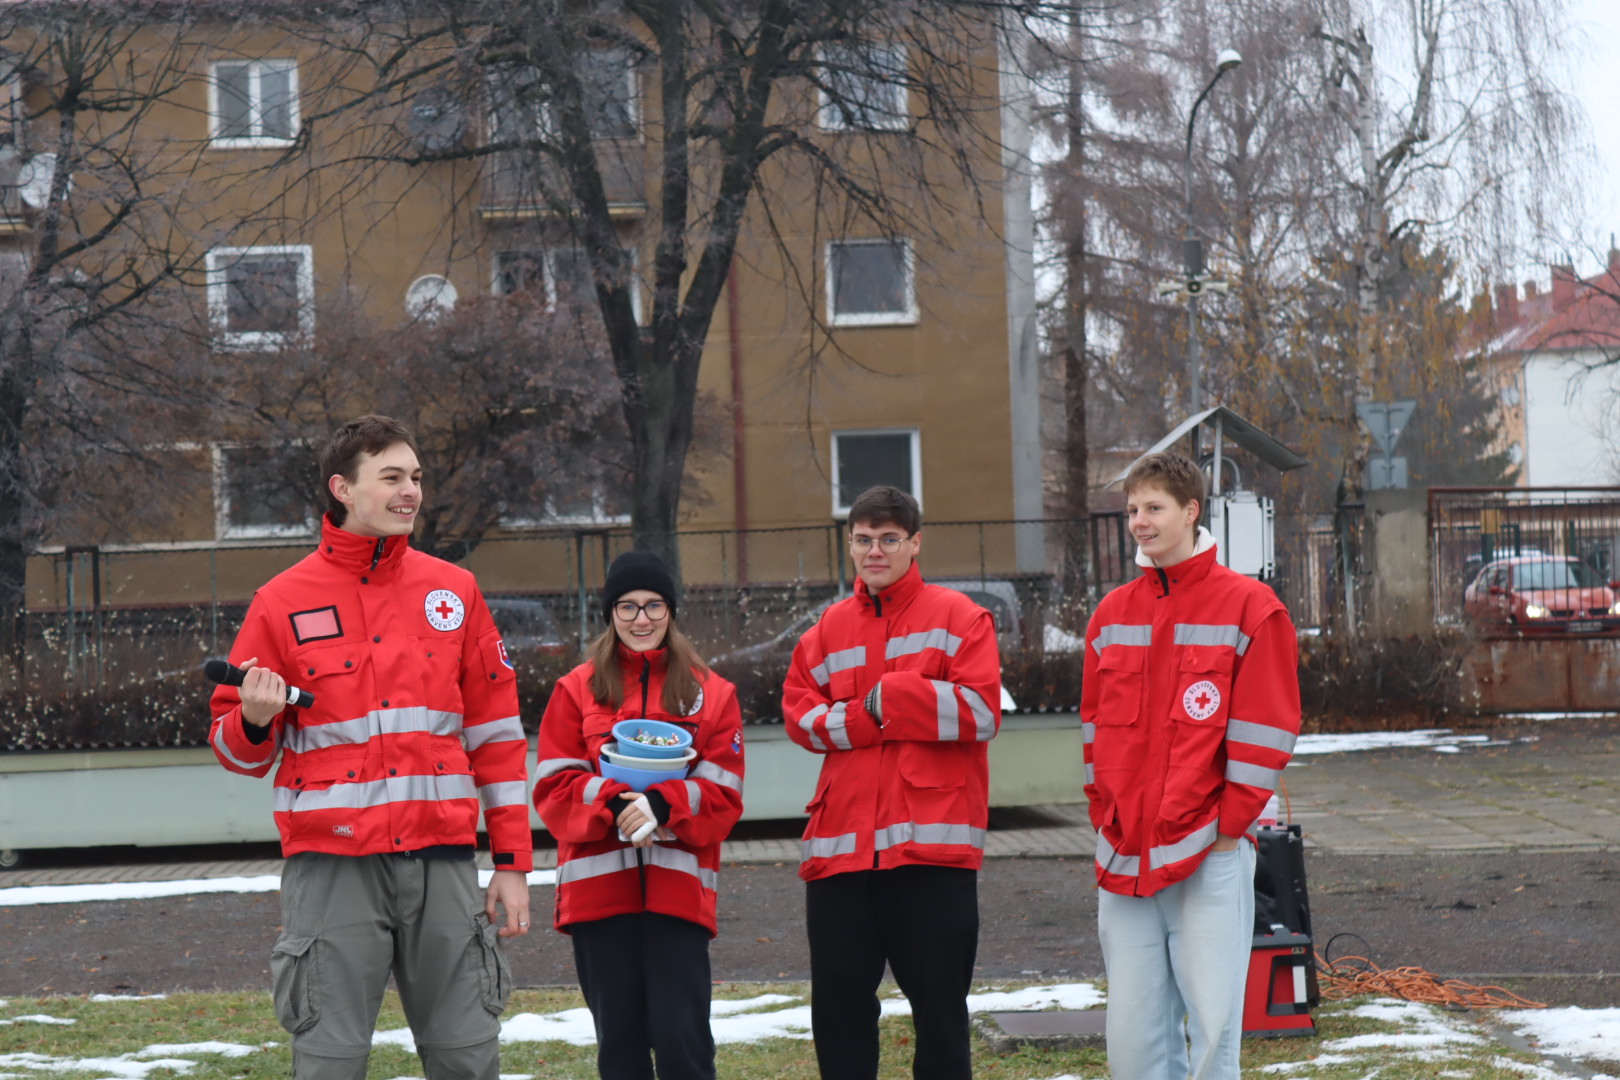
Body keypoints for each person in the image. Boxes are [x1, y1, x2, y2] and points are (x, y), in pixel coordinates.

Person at [207, 415, 533, 1080]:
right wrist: (256, 718)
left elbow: (497, 737)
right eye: (391, 477)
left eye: (415, 477)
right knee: (330, 1060)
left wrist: (512, 862)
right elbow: (236, 754)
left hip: (442, 865)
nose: (411, 491)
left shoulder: (455, 591)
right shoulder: (280, 602)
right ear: (343, 489)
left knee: (466, 1056)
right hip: (333, 869)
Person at [1081, 451, 1300, 1080]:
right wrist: (1105, 815)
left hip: (1209, 851)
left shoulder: (1251, 608)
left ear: (1191, 512)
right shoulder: (1112, 614)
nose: (1139, 522)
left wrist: (1229, 829)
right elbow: (1094, 731)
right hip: (1126, 853)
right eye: (1132, 510)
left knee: (1212, 1037)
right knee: (1132, 1040)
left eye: (1154, 508)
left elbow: (1266, 732)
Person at [781, 485, 1002, 1080]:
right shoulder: (828, 628)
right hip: (840, 856)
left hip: (930, 855)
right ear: (850, 544)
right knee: (839, 1017)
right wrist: (869, 716)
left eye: (888, 539)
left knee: (940, 1017)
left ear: (914, 543)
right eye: (863, 540)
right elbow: (800, 717)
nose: (874, 551)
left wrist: (895, 697)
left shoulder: (960, 617)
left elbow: (982, 713)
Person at [533, 550, 746, 1080]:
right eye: (627, 606)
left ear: (671, 610)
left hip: (679, 893)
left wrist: (663, 805)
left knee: (683, 1042)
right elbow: (553, 785)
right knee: (620, 1048)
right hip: (598, 896)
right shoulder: (575, 689)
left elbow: (724, 794)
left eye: (654, 605)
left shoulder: (713, 693)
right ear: (611, 613)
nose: (641, 618)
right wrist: (615, 805)